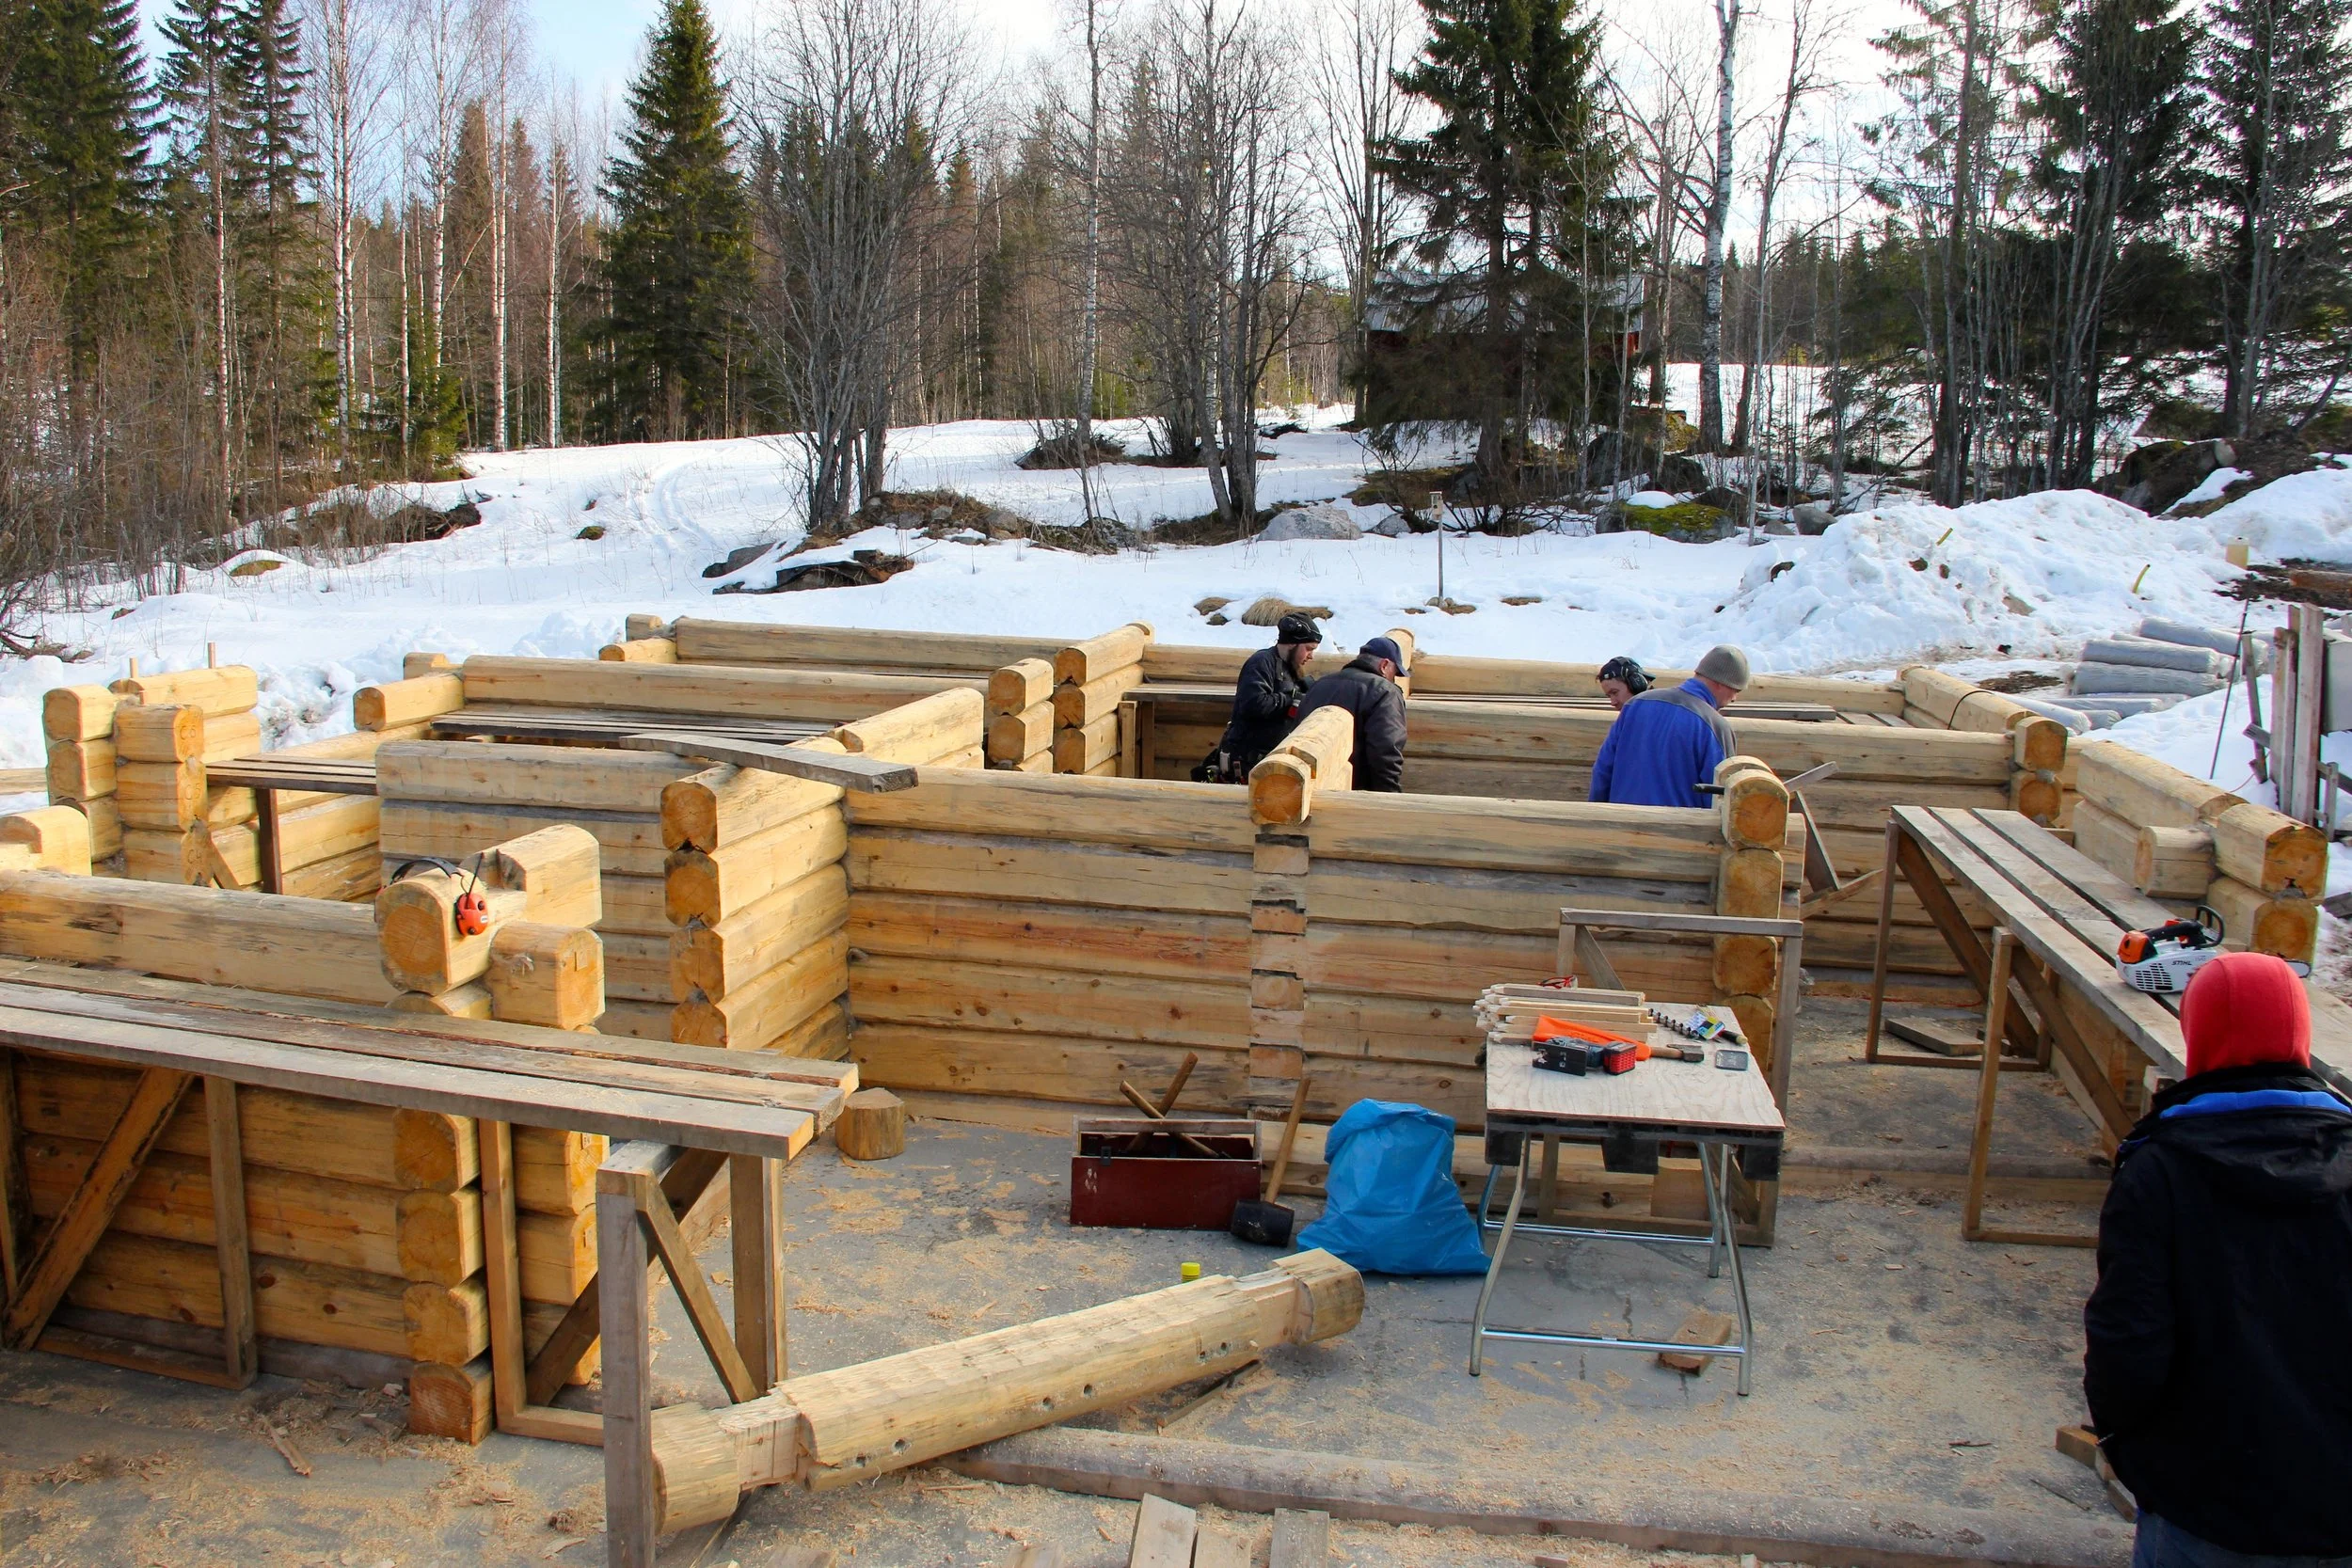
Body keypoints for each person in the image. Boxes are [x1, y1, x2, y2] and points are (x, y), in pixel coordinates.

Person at [2083, 953, 2352, 1568]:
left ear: (2199, 1035)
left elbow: (2128, 1345)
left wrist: (2130, 1449)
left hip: (2206, 1510)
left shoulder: (2160, 1171)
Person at [1588, 644, 1747, 808]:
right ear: (1721, 683)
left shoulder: (1635, 705)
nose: (1734, 698)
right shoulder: (1715, 726)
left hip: (1621, 824)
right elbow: (1719, 799)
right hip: (1677, 830)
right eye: (1736, 690)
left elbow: (1603, 770)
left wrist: (1597, 819)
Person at [1201, 612, 1322, 782]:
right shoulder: (1261, 662)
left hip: (1267, 761)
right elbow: (1254, 703)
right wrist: (1290, 698)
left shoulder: (1290, 668)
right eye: (1308, 649)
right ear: (1292, 643)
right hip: (1247, 762)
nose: (1311, 656)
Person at [1295, 635, 1409, 792]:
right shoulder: (1385, 692)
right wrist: (1388, 796)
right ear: (1384, 665)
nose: (1393, 680)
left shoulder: (1320, 685)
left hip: (1310, 788)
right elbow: (1385, 748)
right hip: (1355, 793)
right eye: (1394, 673)